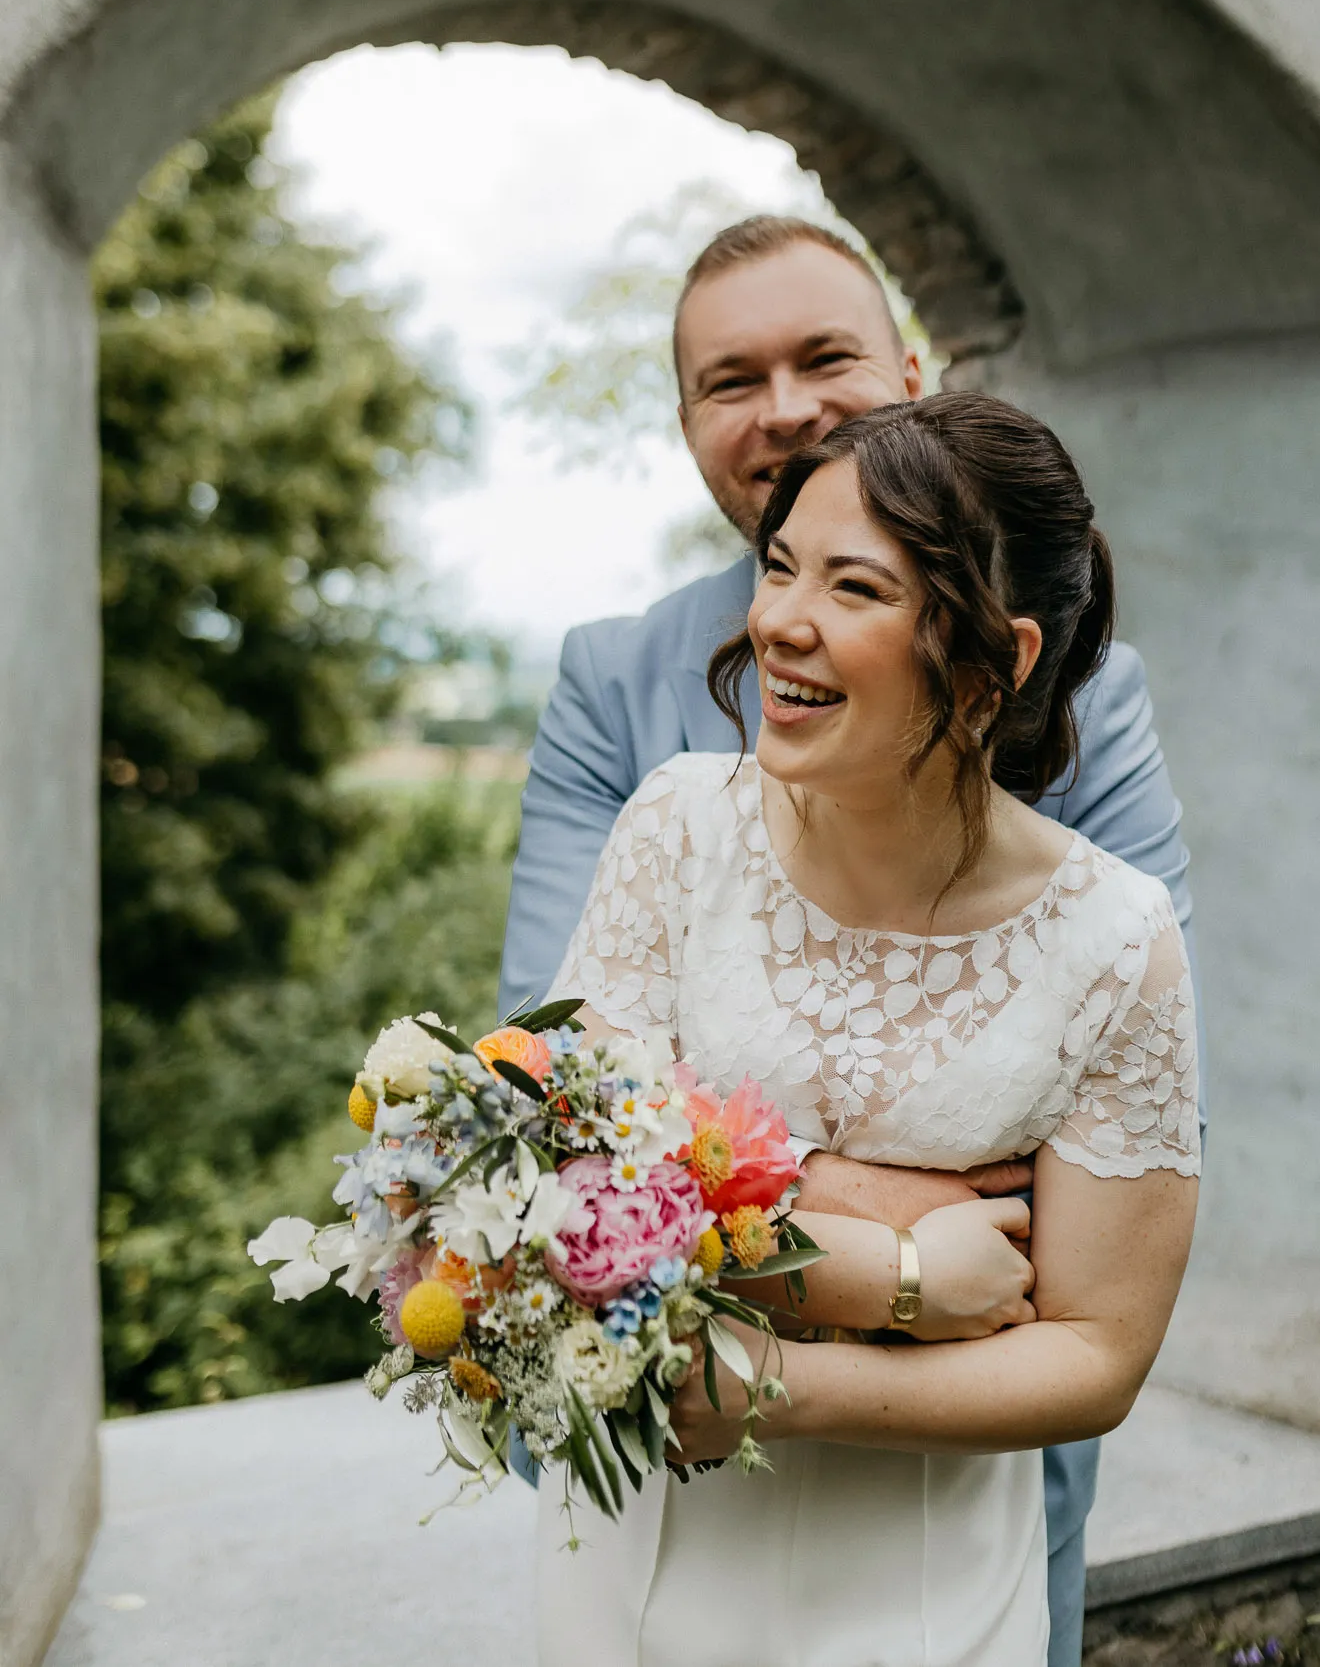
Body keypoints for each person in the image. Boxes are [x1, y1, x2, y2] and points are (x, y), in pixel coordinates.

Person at [500, 216, 1199, 1666]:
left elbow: (1093, 1306)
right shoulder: (677, 810)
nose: (784, 630)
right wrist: (895, 1259)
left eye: (858, 586)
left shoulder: (1108, 915)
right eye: (779, 570)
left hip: (941, 1537)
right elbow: (552, 1137)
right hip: (661, 1498)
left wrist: (783, 1352)